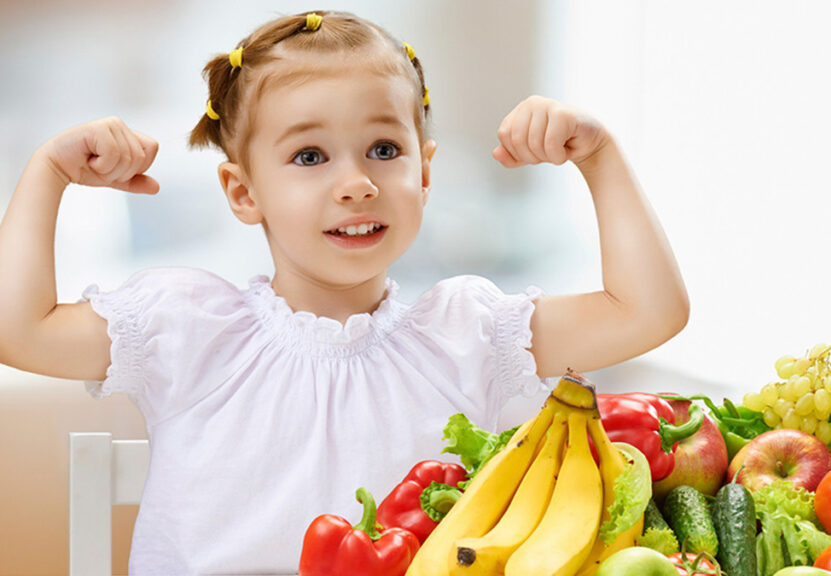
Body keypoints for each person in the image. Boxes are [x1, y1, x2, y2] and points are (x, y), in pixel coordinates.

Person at [0, 10, 688, 575]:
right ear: (243, 192)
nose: (357, 182)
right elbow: (18, 330)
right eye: (309, 156)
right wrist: (48, 172)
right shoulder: (187, 327)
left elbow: (649, 312)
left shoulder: (469, 333)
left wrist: (599, 157)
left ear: (425, 174)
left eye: (385, 150)